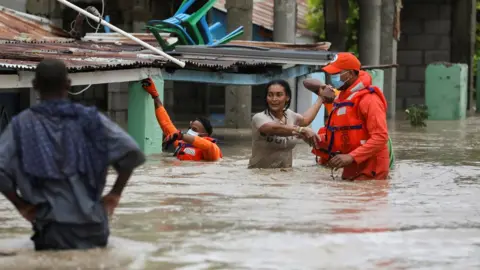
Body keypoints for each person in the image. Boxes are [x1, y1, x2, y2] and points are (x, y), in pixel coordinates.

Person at [0, 59, 145, 250]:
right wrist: (114, 194)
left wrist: (21, 205)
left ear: (35, 86)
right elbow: (132, 153)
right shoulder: (93, 120)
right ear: (68, 84)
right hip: (95, 227)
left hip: (51, 230)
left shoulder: (21, 125)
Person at [310, 52, 390, 180]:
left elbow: (380, 137)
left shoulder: (370, 100)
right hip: (352, 166)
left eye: (336, 74)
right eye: (331, 74)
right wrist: (314, 138)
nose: (332, 77)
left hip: (371, 169)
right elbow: (339, 136)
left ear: (351, 74)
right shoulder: (341, 99)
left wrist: (351, 157)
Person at [248, 79, 335, 169]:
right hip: (260, 176)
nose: (274, 99)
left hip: (287, 176)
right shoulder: (259, 117)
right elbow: (272, 128)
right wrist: (301, 129)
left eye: (279, 95)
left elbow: (306, 119)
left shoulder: (291, 116)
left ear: (287, 97)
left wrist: (321, 98)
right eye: (270, 95)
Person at [141, 78, 222, 161]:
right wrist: (155, 96)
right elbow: (165, 123)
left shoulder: (212, 151)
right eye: (190, 128)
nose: (189, 131)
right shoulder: (181, 143)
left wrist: (181, 136)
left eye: (194, 129)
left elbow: (209, 146)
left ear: (204, 135)